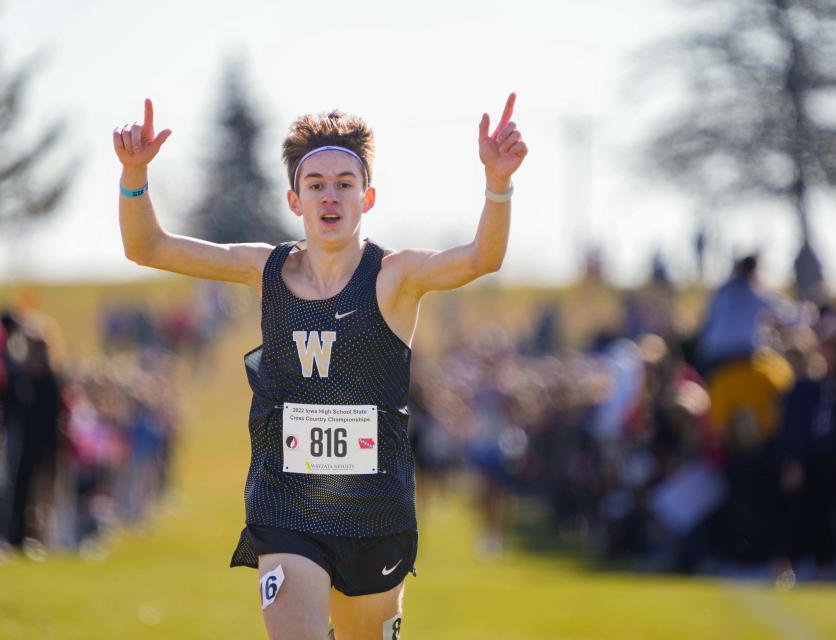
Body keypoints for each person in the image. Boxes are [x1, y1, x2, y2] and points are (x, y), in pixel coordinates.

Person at [113, 95, 526, 639]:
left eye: (344, 183)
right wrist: (135, 175)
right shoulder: (265, 269)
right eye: (316, 184)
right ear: (294, 199)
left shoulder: (397, 277)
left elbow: (481, 258)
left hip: (374, 510)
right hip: (286, 505)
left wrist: (498, 184)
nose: (330, 195)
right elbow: (149, 248)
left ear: (367, 196)